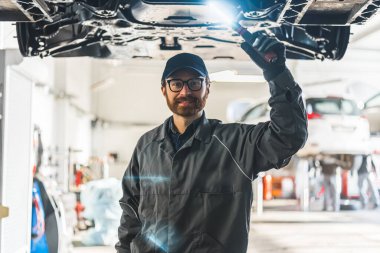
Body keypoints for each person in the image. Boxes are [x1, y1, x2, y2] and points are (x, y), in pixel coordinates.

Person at [116, 32, 308, 253]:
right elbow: (130, 215)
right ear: (164, 89)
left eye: (195, 83)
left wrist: (277, 73)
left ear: (207, 88)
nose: (185, 91)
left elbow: (288, 136)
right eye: (176, 83)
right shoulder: (146, 147)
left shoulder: (236, 143)